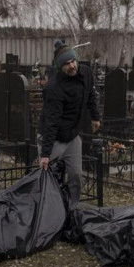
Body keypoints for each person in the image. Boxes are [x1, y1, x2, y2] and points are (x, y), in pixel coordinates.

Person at [38, 39, 100, 210]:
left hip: (72, 136)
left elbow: (91, 95)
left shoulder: (86, 72)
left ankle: (71, 209)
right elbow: (51, 122)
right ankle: (46, 212)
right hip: (55, 137)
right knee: (46, 177)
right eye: (66, 64)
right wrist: (45, 154)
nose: (72, 66)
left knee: (76, 176)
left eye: (73, 61)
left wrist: (95, 117)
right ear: (59, 67)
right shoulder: (54, 88)